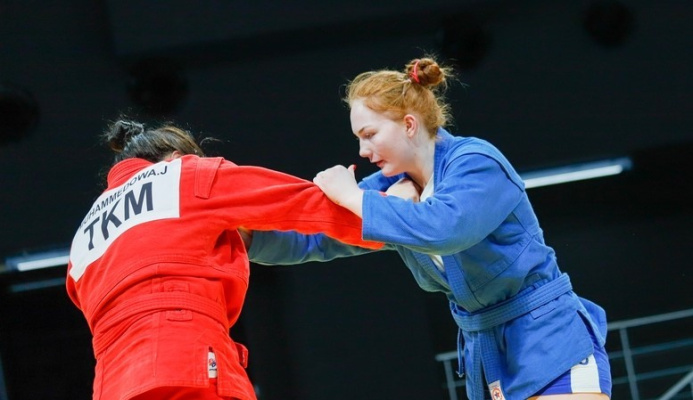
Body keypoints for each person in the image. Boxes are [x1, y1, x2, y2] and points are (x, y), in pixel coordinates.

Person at [245, 57, 612, 399]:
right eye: (358, 138)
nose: (362, 150)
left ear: (408, 124)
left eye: (370, 134)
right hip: (489, 353)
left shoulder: (476, 162)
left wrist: (352, 196)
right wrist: (241, 237)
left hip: (548, 337)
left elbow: (444, 229)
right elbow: (317, 235)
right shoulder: (389, 191)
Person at [65, 118, 383, 400]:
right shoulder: (184, 174)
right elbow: (305, 205)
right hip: (186, 364)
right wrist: (395, 217)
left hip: (112, 386)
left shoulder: (82, 238)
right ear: (177, 158)